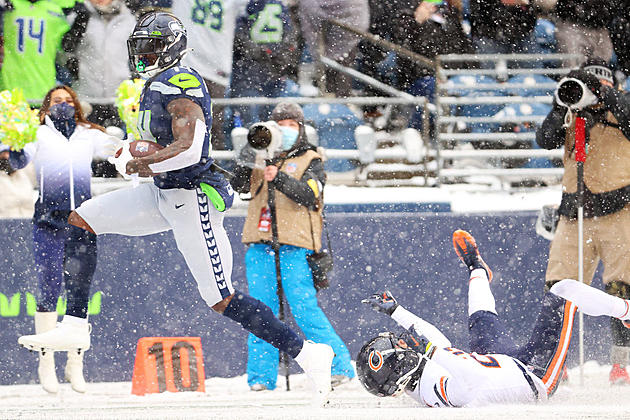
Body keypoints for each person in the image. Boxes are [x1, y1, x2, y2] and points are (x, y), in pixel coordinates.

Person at [18, 12, 335, 405]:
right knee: (82, 220)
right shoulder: (155, 82)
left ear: (170, 48)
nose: (143, 53)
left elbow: (187, 148)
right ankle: (77, 323)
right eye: (141, 46)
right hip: (163, 191)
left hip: (193, 196)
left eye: (151, 45)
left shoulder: (180, 83)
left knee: (221, 298)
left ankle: (309, 352)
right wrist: (125, 150)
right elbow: (156, 144)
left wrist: (138, 162)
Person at [357, 229, 630, 407]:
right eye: (400, 349)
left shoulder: (416, 379)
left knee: (480, 319)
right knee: (563, 291)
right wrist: (429, 350)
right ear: (398, 373)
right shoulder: (436, 394)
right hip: (533, 375)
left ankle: (476, 266)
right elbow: (474, 376)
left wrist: (397, 312)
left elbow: (442, 346)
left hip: (501, 361)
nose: (404, 344)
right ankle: (627, 311)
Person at [230, 102, 355, 391]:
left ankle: (339, 366)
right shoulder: (259, 154)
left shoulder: (312, 158)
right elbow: (239, 186)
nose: (285, 130)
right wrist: (248, 156)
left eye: (291, 125)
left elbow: (311, 195)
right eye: (280, 124)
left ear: (301, 128)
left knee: (304, 309)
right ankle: (261, 378)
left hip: (295, 246)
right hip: (260, 244)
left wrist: (281, 177)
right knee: (260, 312)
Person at [8, 85, 118, 393]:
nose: (64, 105)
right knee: (49, 288)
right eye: (57, 101)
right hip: (49, 220)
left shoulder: (87, 134)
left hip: (83, 219)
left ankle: (74, 363)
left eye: (69, 101)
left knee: (79, 290)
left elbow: (116, 149)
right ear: (46, 107)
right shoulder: (38, 133)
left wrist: (126, 134)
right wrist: (8, 149)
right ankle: (46, 364)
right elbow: (16, 161)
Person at [536, 60, 630, 385]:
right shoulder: (571, 113)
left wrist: (606, 95)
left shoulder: (622, 108)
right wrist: (561, 102)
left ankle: (623, 362)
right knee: (558, 285)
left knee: (622, 285)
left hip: (620, 209)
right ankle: (554, 359)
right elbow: (544, 138)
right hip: (574, 211)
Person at [172, 0, 249, 150]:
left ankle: (206, 167)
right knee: (200, 127)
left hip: (201, 67)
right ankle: (198, 167)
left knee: (201, 128)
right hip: (200, 66)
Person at [63, 0, 137, 129]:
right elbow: (62, 51)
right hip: (86, 98)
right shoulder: (79, 17)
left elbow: (137, 54)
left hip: (120, 100)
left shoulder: (130, 20)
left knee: (118, 145)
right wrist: (72, 67)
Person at [229, 0, 300, 128]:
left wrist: (280, 55)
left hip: (274, 76)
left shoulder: (279, 5)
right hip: (248, 75)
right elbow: (237, 34)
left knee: (274, 124)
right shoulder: (242, 4)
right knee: (250, 124)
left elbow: (291, 35)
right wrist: (263, 53)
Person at [0, 0, 84, 103]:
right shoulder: (8, 6)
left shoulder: (55, 10)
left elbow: (67, 46)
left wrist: (81, 18)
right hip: (8, 93)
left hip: (43, 92)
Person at [552, 0, 614, 68]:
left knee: (602, 63)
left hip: (599, 26)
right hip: (572, 24)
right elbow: (560, 9)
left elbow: (612, 10)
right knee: (573, 63)